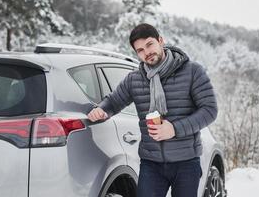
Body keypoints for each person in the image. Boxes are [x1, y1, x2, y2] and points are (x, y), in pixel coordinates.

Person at [87, 23, 218, 197]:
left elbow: (210, 110)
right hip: (151, 164)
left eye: (149, 44)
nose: (146, 52)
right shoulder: (134, 79)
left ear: (160, 41)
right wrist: (102, 110)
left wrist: (174, 129)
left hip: (186, 162)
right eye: (140, 50)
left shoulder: (192, 71)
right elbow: (113, 101)